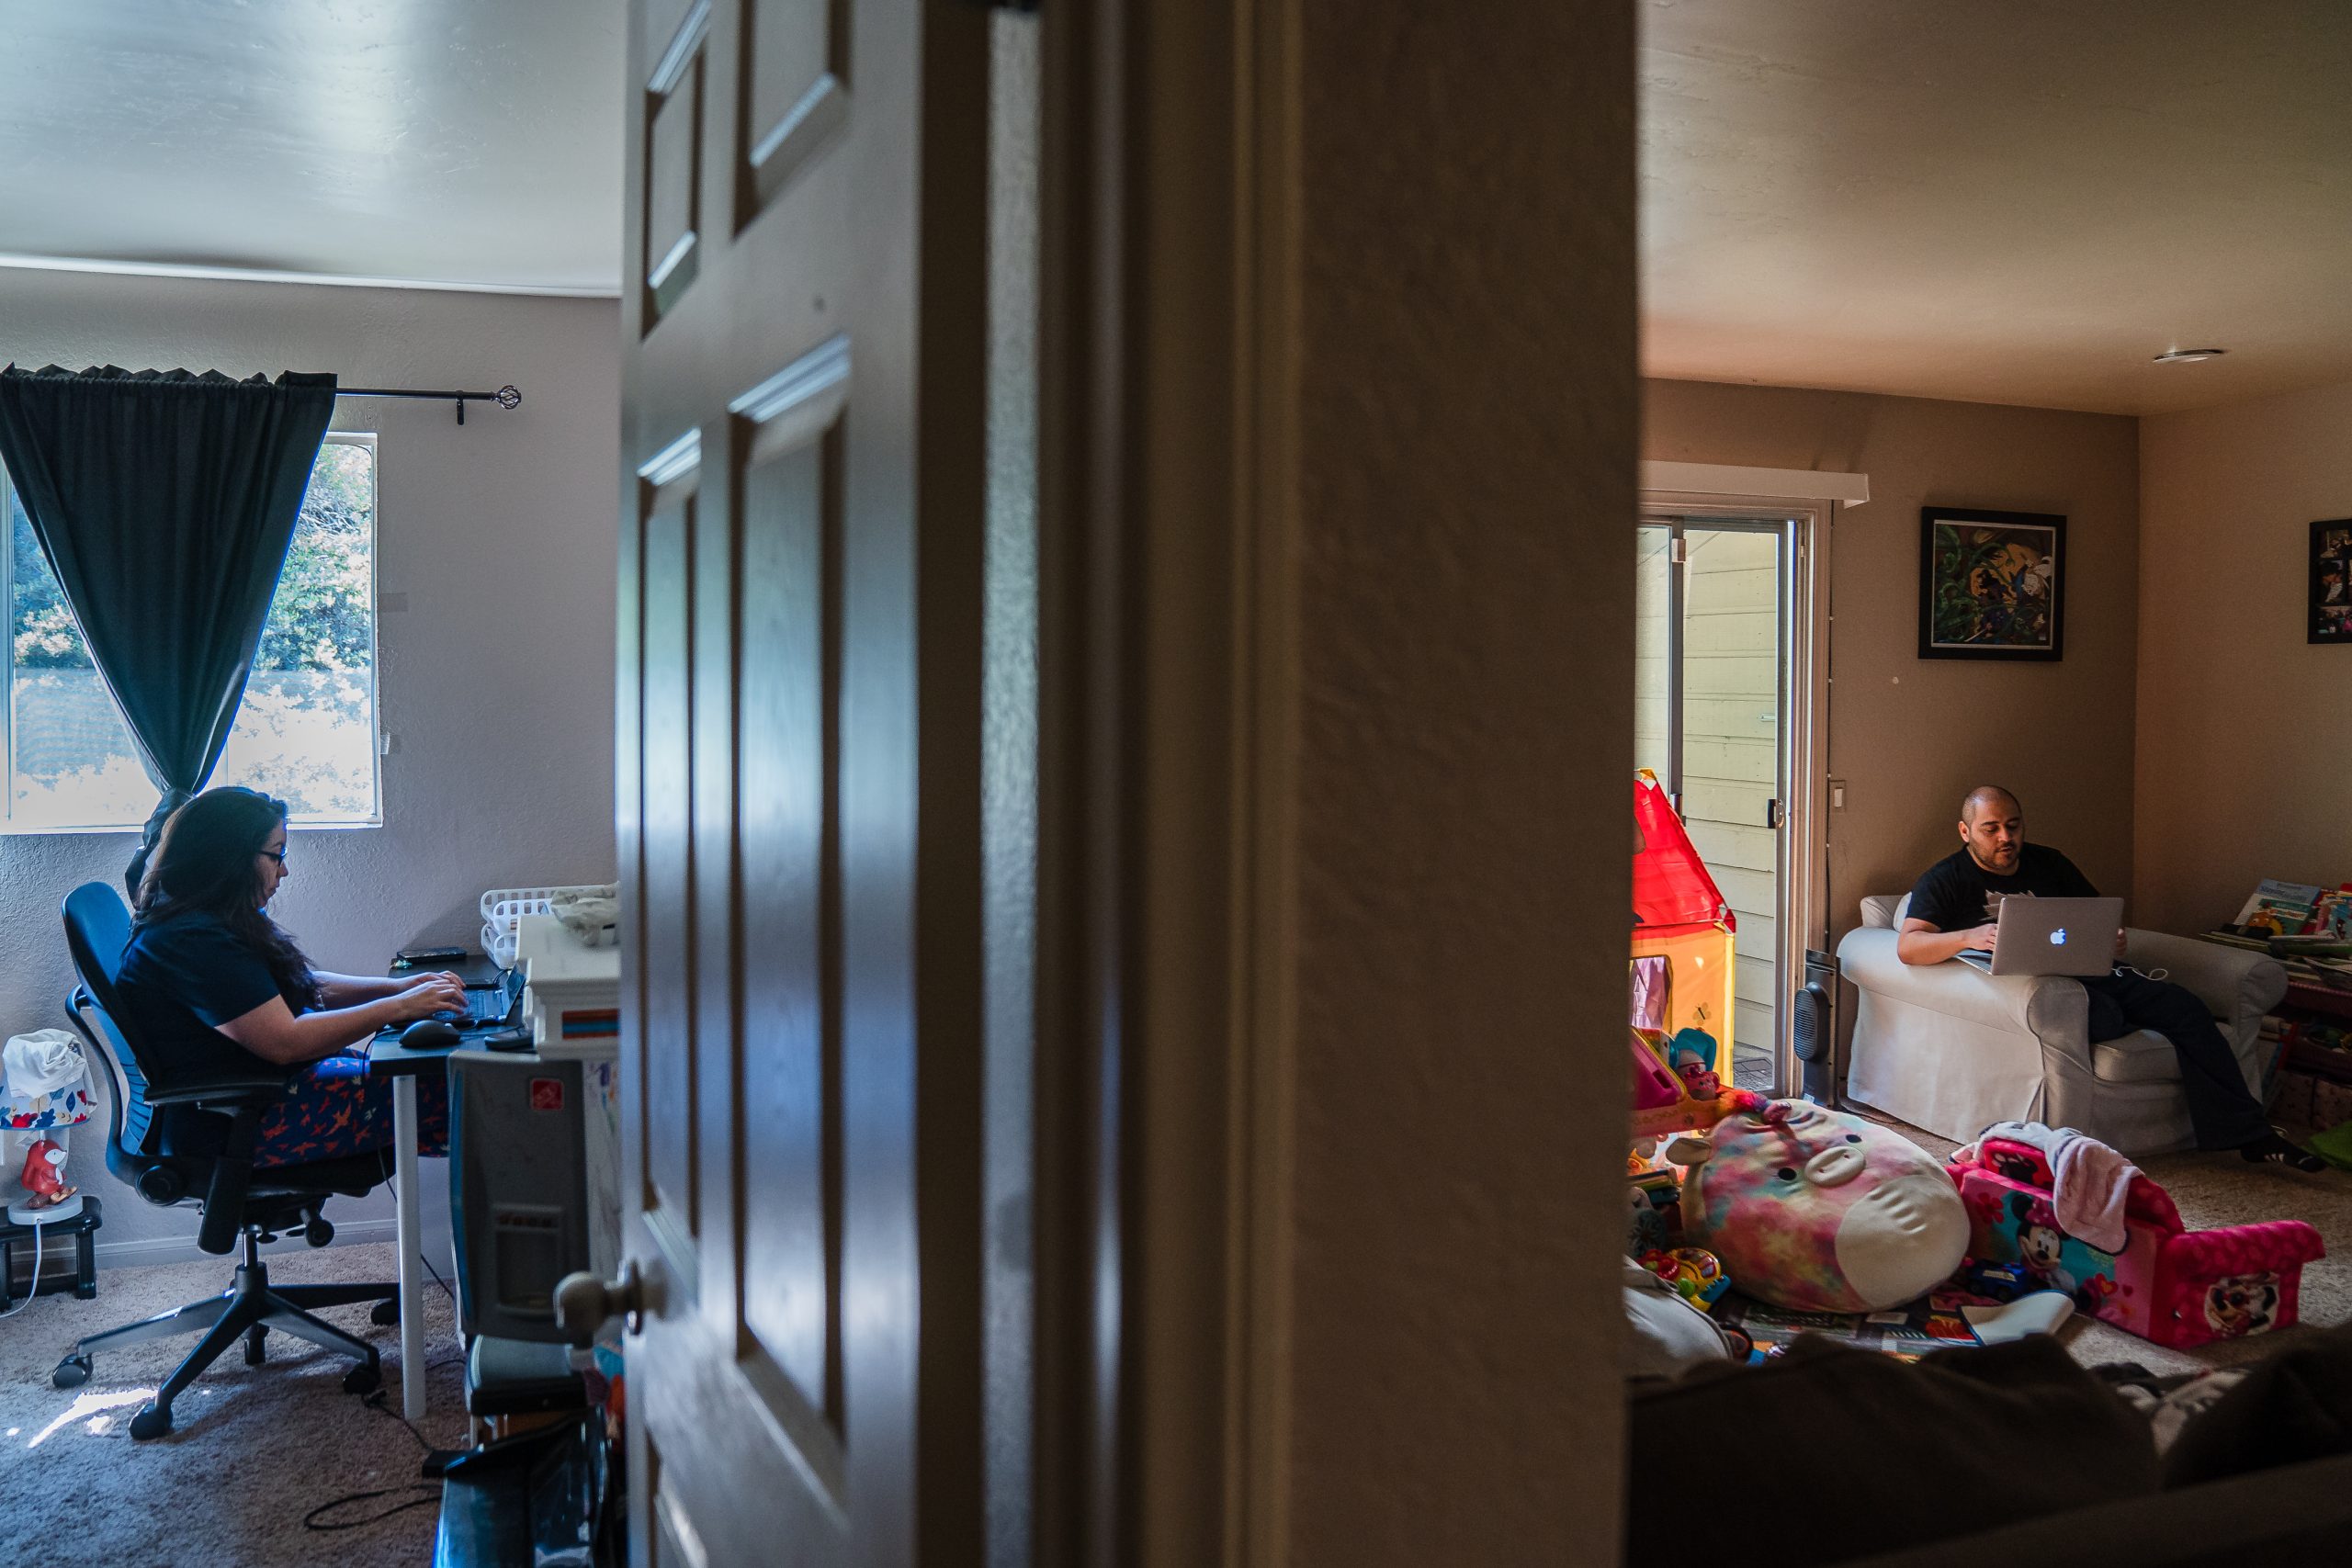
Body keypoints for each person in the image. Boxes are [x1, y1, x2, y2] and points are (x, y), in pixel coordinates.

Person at [1898, 784, 2323, 1172]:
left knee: (2186, 1008)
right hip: (2039, 990)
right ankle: (2127, 1022)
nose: (2005, 838)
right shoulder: (1946, 878)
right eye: (1991, 829)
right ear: (1965, 831)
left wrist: (2110, 938)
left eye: (2013, 826)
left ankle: (2249, 1135)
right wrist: (1970, 936)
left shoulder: (2050, 862)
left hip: (2094, 972)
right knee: (2102, 1016)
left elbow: (2096, 914)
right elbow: (1909, 946)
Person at [113, 786, 466, 1168]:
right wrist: (395, 1008)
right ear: (229, 857)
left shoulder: (213, 916)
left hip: (268, 1093)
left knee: (447, 1076)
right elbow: (285, 1041)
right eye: (275, 855)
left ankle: (491, 1220)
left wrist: (400, 987)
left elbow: (304, 985)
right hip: (246, 1120)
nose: (284, 870)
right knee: (470, 1092)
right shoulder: (192, 939)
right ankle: (505, 1222)